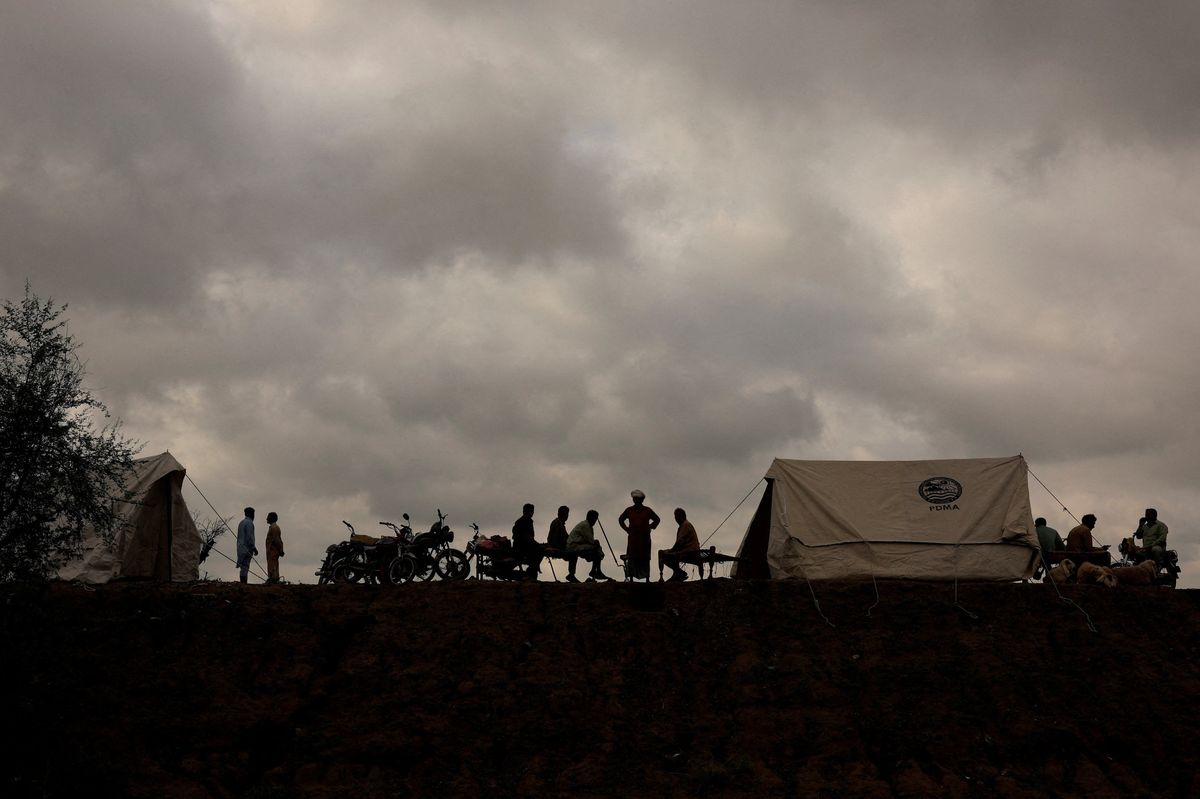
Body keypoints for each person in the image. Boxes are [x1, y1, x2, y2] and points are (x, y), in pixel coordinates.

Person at [618, 490, 660, 580]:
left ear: (642, 500)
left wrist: (650, 527)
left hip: (644, 539)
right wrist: (626, 529)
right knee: (632, 558)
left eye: (638, 499)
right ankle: (632, 578)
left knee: (645, 558)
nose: (636, 500)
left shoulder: (647, 510)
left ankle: (647, 578)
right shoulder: (629, 510)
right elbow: (621, 519)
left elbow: (657, 519)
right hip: (633, 539)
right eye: (634, 499)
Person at [565, 509, 612, 582]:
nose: (595, 521)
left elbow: (589, 541)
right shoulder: (585, 525)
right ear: (590, 517)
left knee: (596, 548)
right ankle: (596, 571)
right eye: (594, 519)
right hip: (573, 546)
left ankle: (595, 571)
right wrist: (596, 543)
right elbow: (591, 541)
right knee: (596, 548)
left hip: (577, 545)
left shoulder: (588, 526)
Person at [660, 507, 702, 581]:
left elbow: (680, 542)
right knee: (664, 553)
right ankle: (677, 572)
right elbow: (680, 543)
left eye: (678, 516)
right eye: (675, 516)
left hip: (690, 551)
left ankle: (678, 573)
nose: (676, 518)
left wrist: (672, 550)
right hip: (688, 550)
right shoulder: (683, 526)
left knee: (664, 555)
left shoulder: (685, 525)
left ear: (683, 516)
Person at [511, 503, 544, 580]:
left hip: (526, 546)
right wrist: (537, 545)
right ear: (524, 512)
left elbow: (529, 538)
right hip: (521, 547)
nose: (531, 513)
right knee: (540, 550)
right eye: (530, 511)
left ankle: (532, 570)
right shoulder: (522, 522)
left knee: (540, 549)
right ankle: (531, 571)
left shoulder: (528, 521)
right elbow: (526, 538)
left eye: (532, 511)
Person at [236, 507, 257, 584]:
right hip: (247, 548)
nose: (254, 515)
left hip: (240, 548)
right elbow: (250, 538)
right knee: (245, 567)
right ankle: (244, 584)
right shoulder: (249, 523)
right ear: (250, 514)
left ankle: (243, 584)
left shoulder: (241, 522)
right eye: (253, 513)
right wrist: (254, 548)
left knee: (243, 567)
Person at [264, 511, 284, 583]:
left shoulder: (274, 528)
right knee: (272, 565)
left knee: (273, 566)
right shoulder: (273, 527)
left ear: (271, 518)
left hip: (273, 551)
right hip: (271, 551)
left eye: (268, 517)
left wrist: (281, 550)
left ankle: (273, 581)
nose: (266, 519)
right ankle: (272, 579)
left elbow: (277, 540)